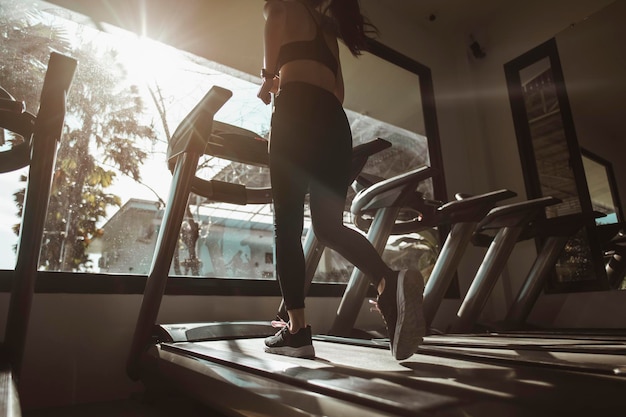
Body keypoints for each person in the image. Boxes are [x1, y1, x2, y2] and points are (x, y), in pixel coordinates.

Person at [257, 0, 425, 361]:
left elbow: (272, 64)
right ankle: (386, 280)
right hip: (334, 123)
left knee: (287, 226)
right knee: (328, 226)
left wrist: (268, 83)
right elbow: (338, 93)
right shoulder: (328, 27)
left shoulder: (280, 6)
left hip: (296, 111)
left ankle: (297, 332)